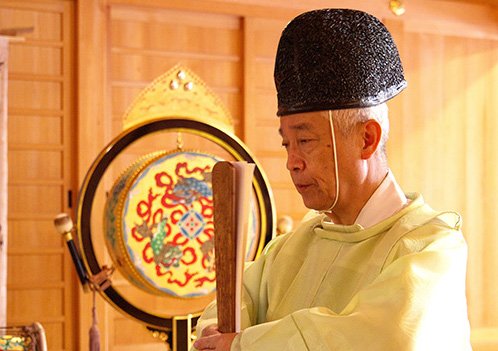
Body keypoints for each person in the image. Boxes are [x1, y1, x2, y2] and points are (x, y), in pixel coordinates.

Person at [192, 8, 472, 351]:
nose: (291, 163)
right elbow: (229, 307)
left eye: (305, 141)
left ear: (367, 139)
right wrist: (223, 335)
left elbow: (385, 338)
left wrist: (244, 344)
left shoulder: (430, 248)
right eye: (286, 144)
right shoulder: (291, 248)